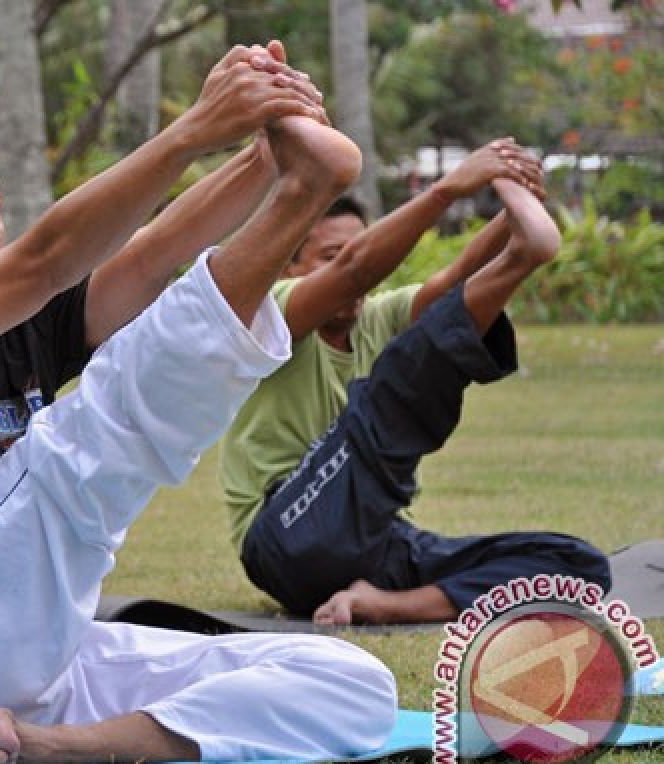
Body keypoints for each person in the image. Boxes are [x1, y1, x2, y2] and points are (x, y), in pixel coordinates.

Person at [0, 44, 398, 764]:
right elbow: (48, 257)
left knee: (350, 681)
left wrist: (266, 153)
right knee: (79, 452)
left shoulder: (23, 328)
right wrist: (193, 133)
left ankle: (59, 748)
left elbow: (148, 259)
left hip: (18, 670)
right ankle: (304, 193)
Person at [219, 142, 611, 626]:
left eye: (357, 249)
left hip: (369, 540)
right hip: (284, 535)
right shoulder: (273, 313)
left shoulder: (378, 316)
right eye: (329, 255)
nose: (358, 272)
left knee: (574, 565)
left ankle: (379, 604)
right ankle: (521, 258)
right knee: (389, 387)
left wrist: (512, 207)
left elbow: (451, 289)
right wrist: (449, 190)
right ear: (291, 268)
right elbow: (355, 269)